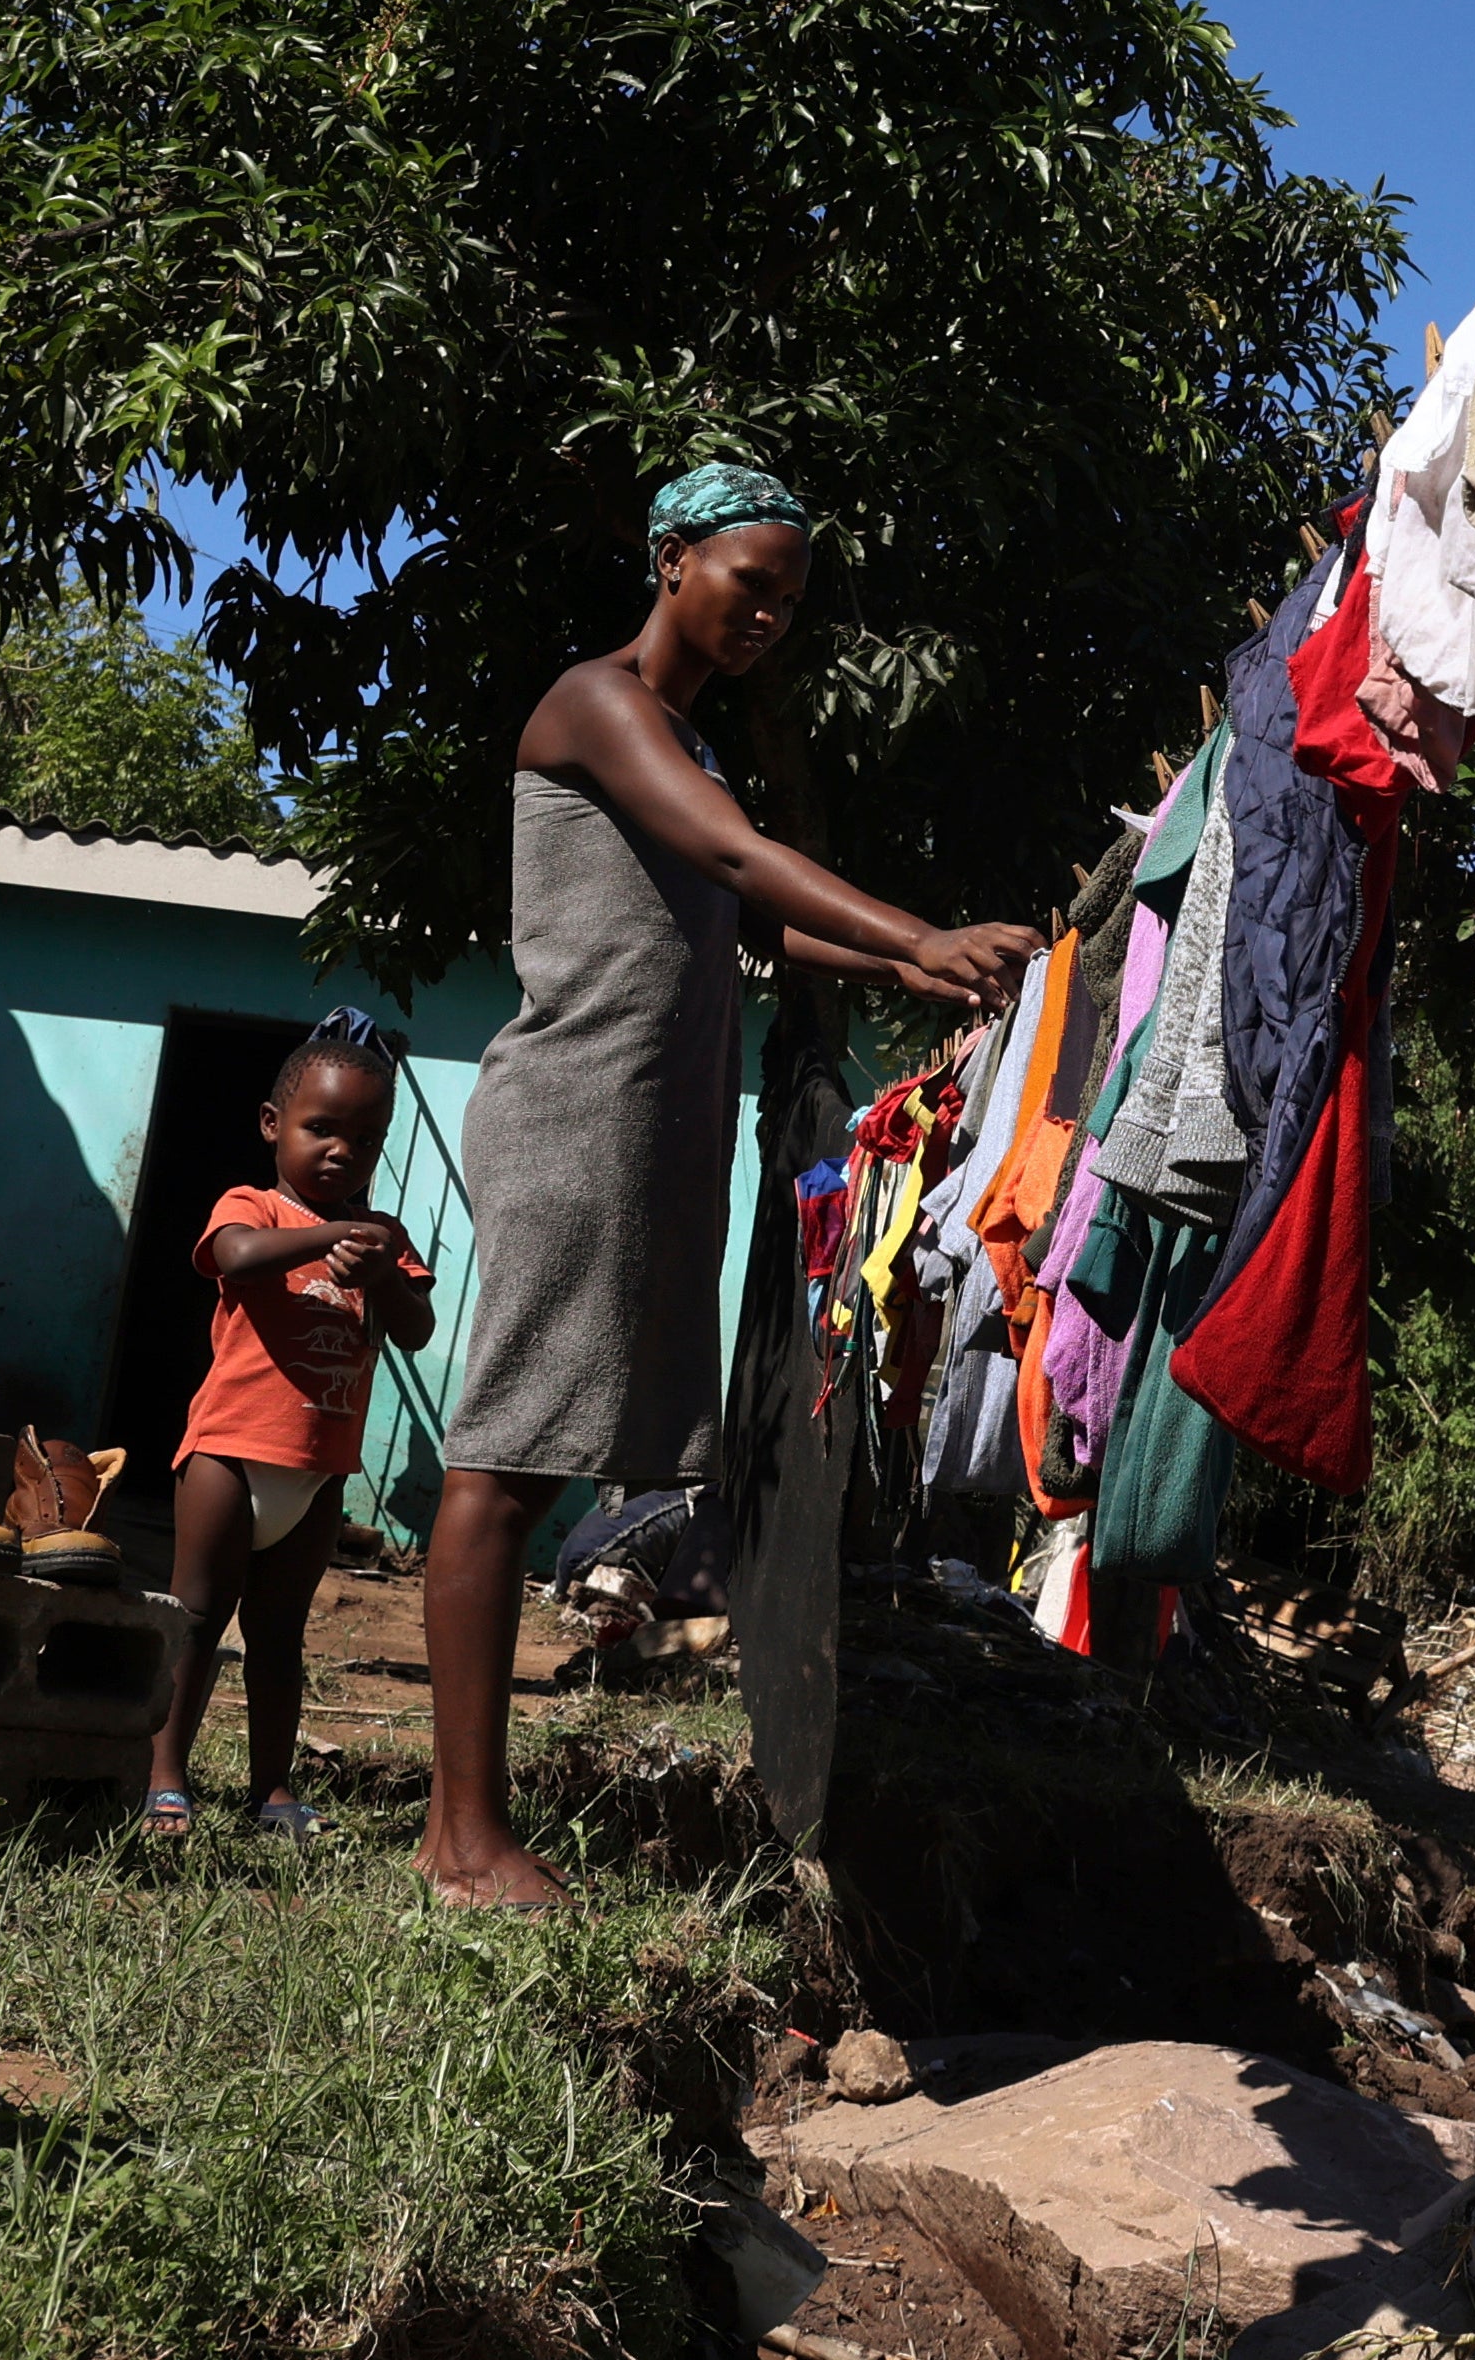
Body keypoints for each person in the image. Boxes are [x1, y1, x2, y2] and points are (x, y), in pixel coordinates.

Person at [418, 461, 1036, 1909]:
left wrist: (904, 962)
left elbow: (751, 914)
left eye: (789, 600)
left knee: (545, 1448)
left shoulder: (688, 753)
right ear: (669, 555)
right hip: (579, 1116)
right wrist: (919, 926)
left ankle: (472, 1830)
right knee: (502, 1461)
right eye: (746, 581)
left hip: (656, 1125)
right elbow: (738, 856)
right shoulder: (597, 709)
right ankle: (460, 1841)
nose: (766, 615)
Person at [145, 1018, 433, 1837]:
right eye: (321, 1129)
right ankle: (166, 1777)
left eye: (367, 1139)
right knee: (197, 1617)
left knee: (280, 1635)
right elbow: (232, 1256)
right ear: (273, 1126)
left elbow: (415, 1329)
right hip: (230, 1457)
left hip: (318, 1472)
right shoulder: (255, 1205)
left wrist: (380, 1272)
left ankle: (269, 1790)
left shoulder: (382, 1241)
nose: (343, 1151)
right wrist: (335, 1235)